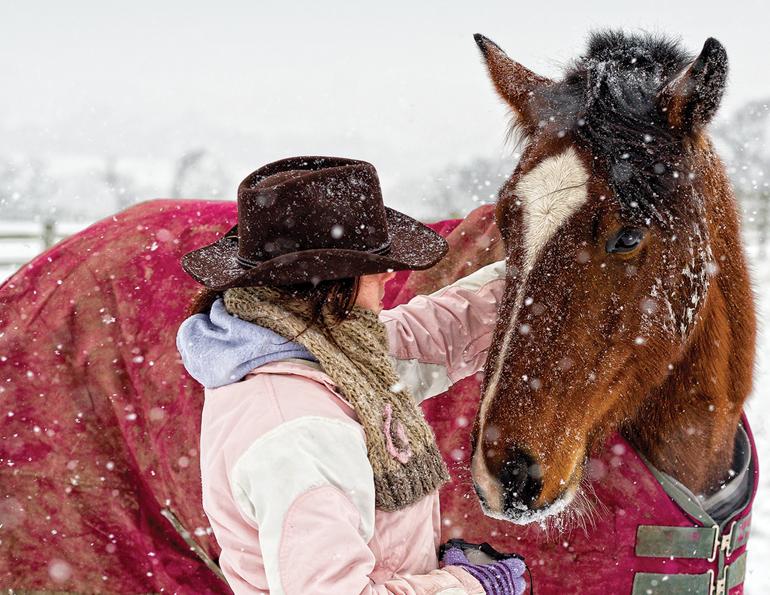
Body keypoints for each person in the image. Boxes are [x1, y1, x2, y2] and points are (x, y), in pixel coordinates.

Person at [176, 156, 526, 594]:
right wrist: (471, 587)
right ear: (326, 283)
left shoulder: (313, 352)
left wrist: (546, 270)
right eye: (369, 264)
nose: (388, 273)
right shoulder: (297, 433)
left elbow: (435, 333)